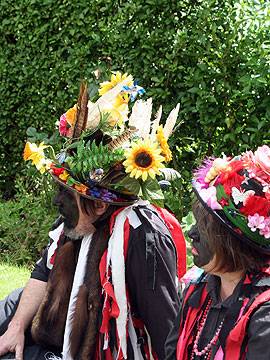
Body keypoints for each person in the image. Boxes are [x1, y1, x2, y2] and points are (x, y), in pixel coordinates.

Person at [0, 72, 186, 360]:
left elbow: (166, 333)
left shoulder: (142, 236)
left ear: (99, 205)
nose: (56, 201)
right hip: (48, 331)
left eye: (66, 194)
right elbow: (42, 272)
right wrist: (15, 328)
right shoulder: (76, 219)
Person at [165, 145, 270, 359]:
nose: (193, 233)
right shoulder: (198, 289)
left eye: (205, 229)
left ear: (234, 243)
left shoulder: (264, 313)